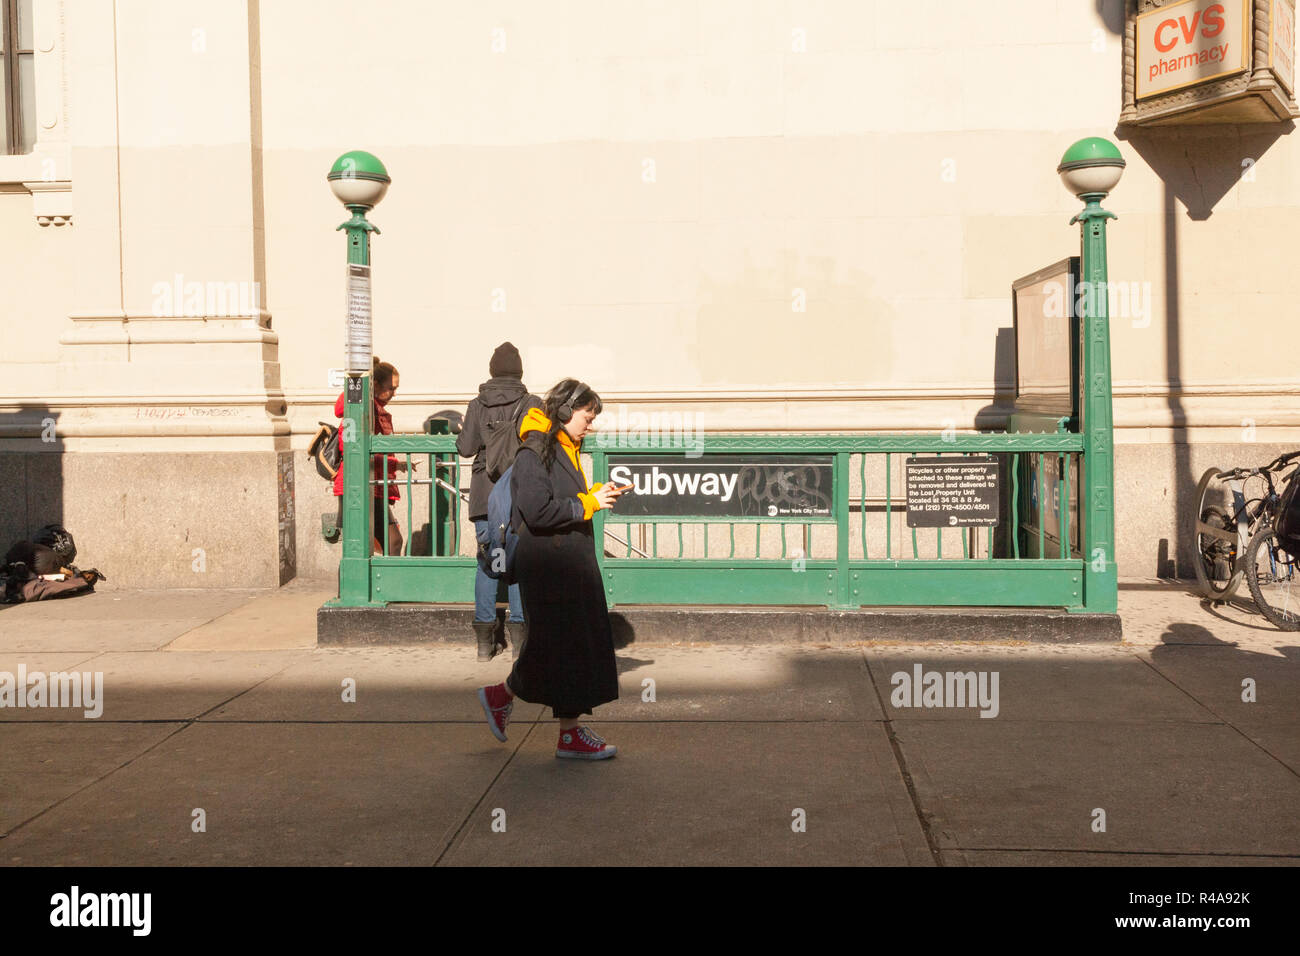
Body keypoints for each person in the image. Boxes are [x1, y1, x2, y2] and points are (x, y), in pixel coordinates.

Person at [477, 379, 627, 760]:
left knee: (565, 646)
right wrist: (586, 503)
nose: (590, 424)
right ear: (563, 411)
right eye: (586, 416)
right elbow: (536, 509)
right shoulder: (535, 451)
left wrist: (593, 495)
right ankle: (554, 726)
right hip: (549, 564)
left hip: (566, 561)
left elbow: (558, 499)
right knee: (558, 644)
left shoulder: (564, 449)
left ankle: (558, 728)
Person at [456, 342, 541, 661]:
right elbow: (541, 446)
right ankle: (519, 643)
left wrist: (462, 433)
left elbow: (465, 449)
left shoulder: (477, 404)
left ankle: (483, 644)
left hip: (485, 494)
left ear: (492, 370)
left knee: (489, 562)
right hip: (518, 494)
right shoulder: (532, 403)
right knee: (517, 565)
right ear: (519, 372)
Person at [333, 357, 407, 555]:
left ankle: (383, 584)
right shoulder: (366, 408)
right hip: (359, 484)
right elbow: (355, 448)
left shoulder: (378, 410)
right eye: (391, 388)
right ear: (375, 385)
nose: (394, 394)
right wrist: (396, 465)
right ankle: (357, 586)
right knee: (361, 547)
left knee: (388, 542)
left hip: (373, 484)